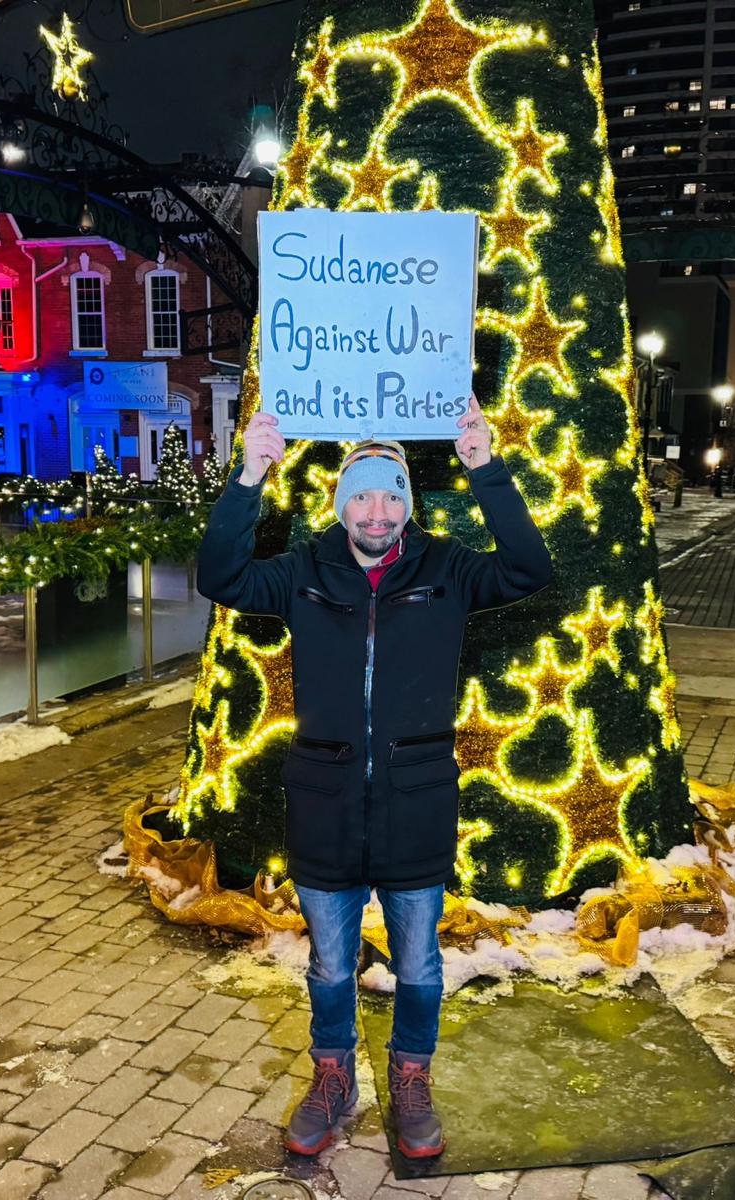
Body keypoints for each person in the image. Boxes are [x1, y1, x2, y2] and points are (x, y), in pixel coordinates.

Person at [196, 397, 552, 1159]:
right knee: (329, 960)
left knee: (419, 958)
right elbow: (219, 574)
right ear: (341, 502)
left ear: (407, 503)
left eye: (392, 493)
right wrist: (250, 474)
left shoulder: (446, 568)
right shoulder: (304, 570)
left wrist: (486, 468)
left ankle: (412, 1078)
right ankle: (334, 1078)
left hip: (415, 797)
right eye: (364, 493)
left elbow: (529, 567)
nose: (379, 510)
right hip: (323, 799)